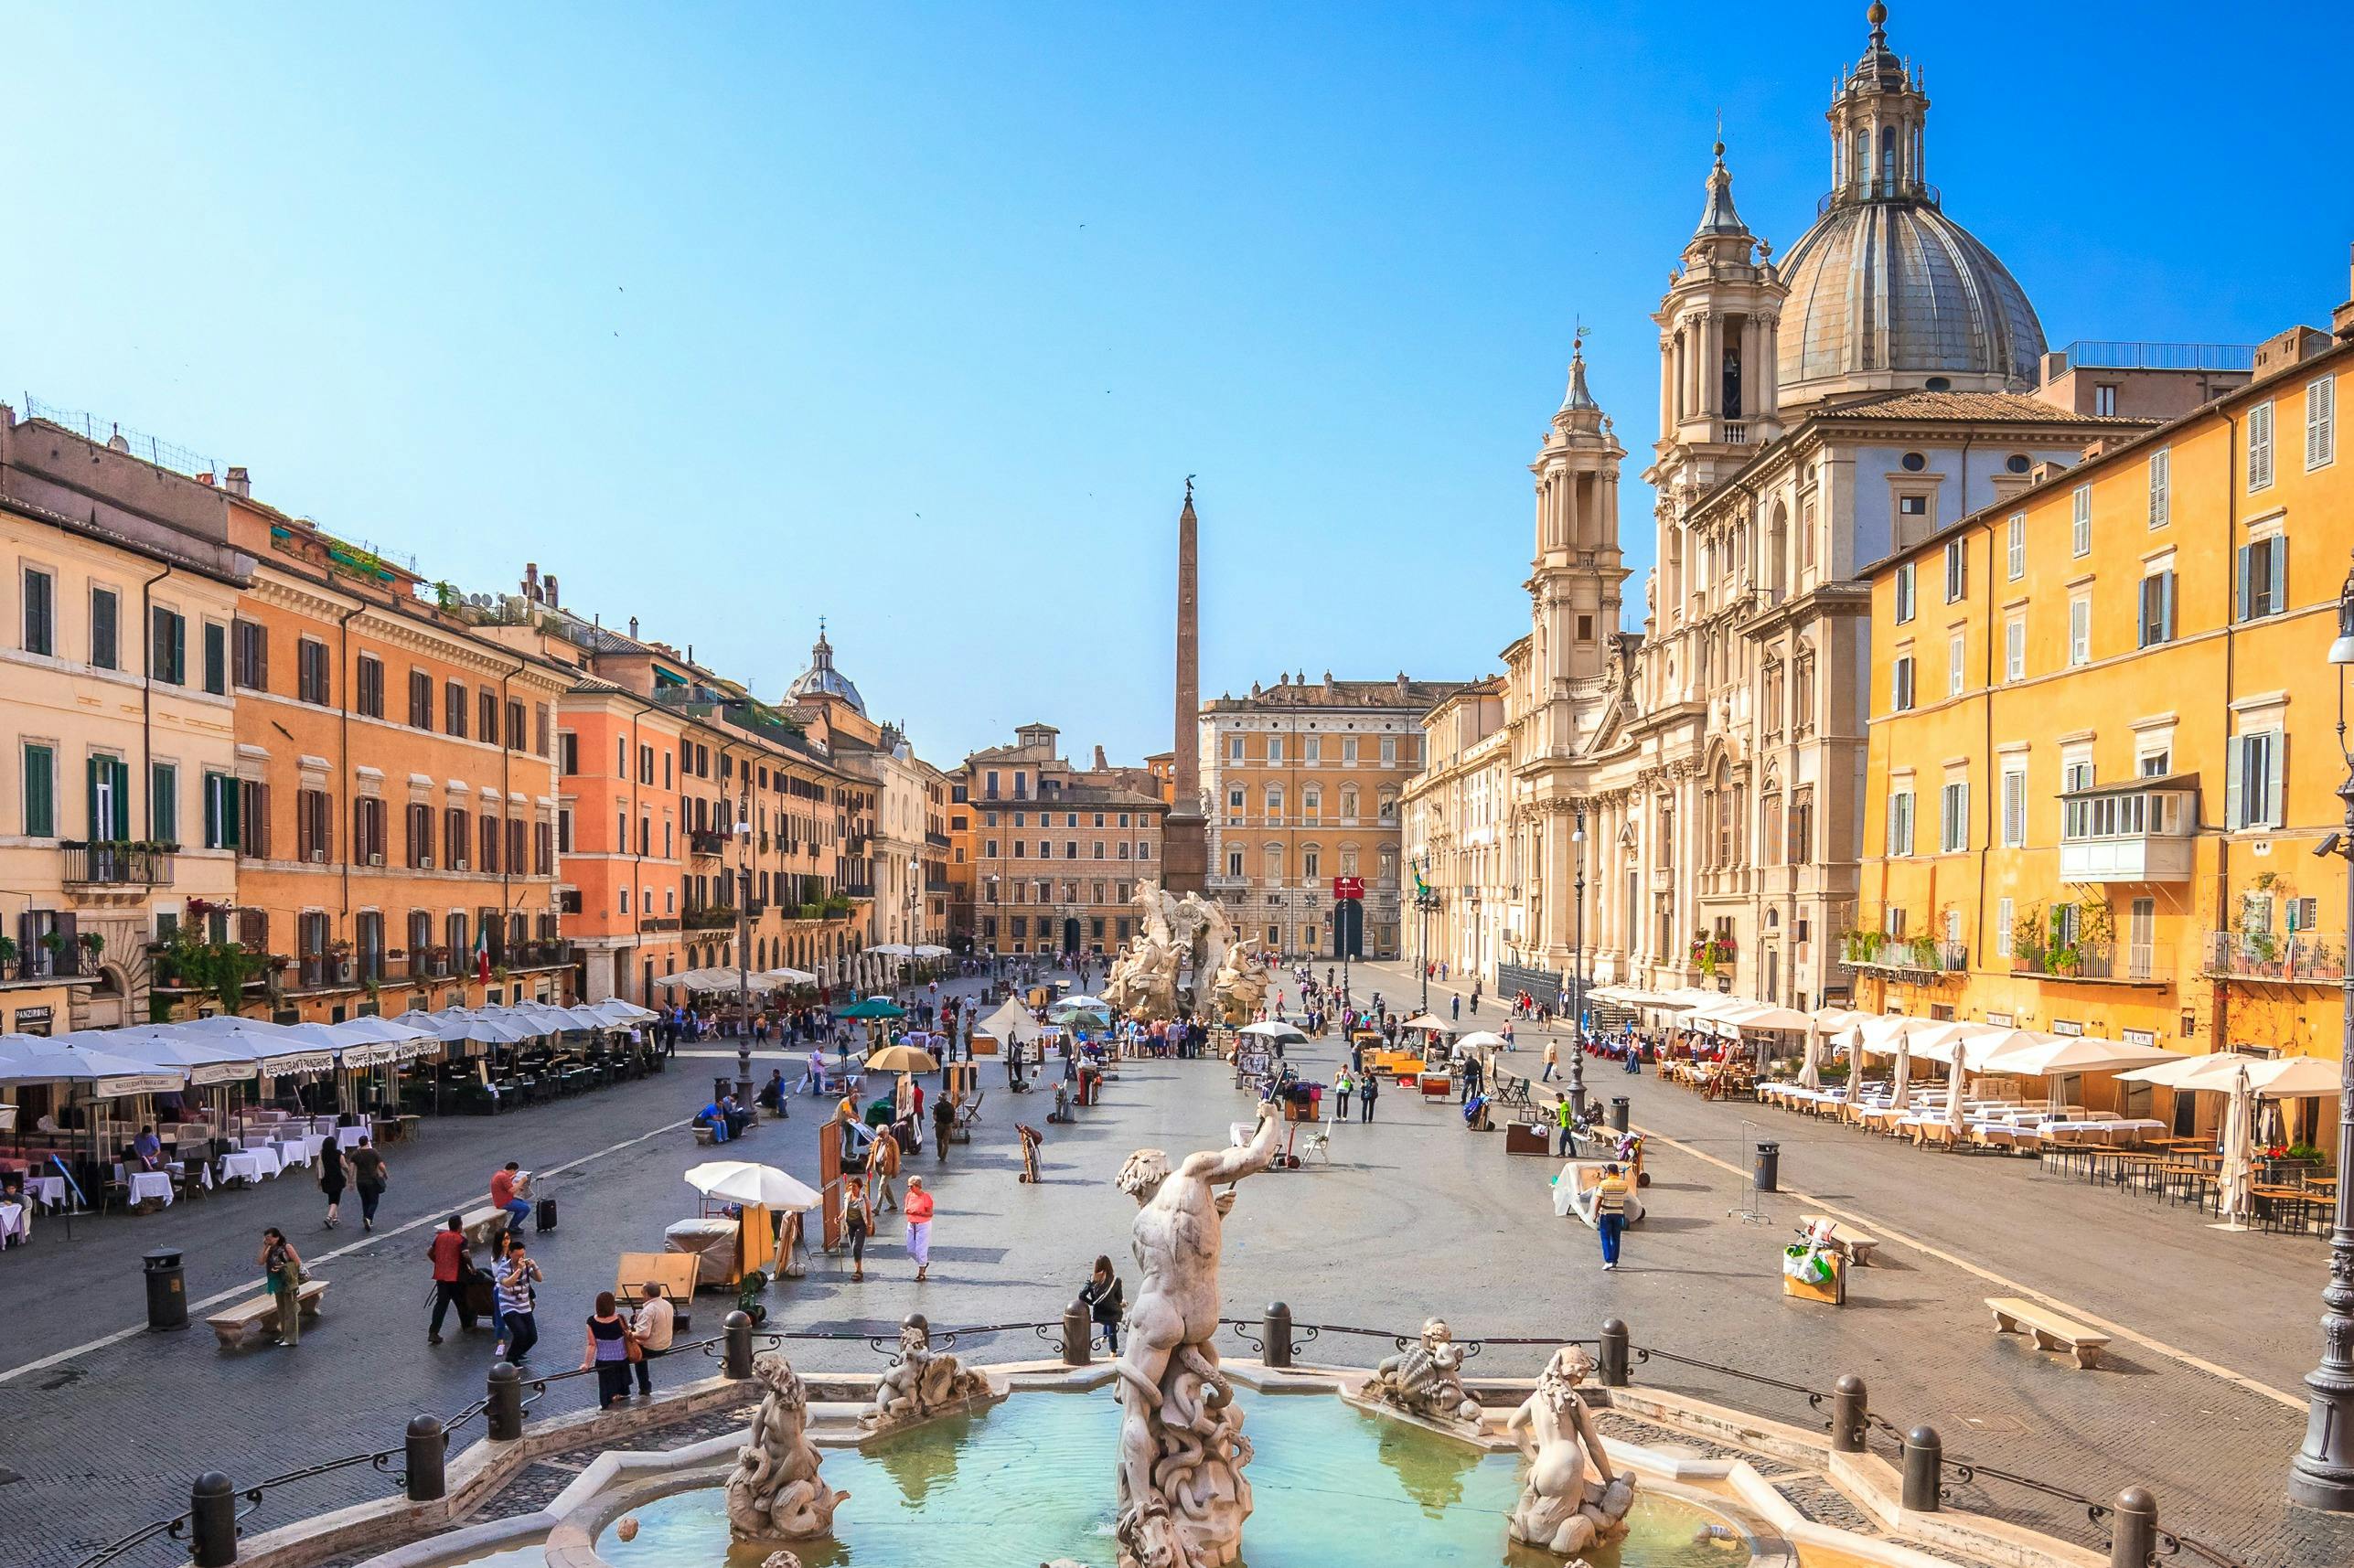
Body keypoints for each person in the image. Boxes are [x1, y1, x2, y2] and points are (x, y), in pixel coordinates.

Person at [581, 1291, 637, 1409]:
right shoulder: (620, 1318)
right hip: (622, 1360)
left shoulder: (591, 1322)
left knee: (606, 1389)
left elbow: (592, 1345)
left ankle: (606, 1406)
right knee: (623, 1389)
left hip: (604, 1361)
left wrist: (586, 1364)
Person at [427, 1214, 476, 1344]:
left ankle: (433, 1332)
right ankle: (467, 1325)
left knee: (441, 1304)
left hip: (441, 1276)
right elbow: (465, 1254)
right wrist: (471, 1267)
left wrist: (438, 1263)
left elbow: (430, 1253)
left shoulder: (440, 1237)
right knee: (461, 1301)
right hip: (456, 1276)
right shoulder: (461, 1239)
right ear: (460, 1226)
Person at [496, 1237, 543, 1361]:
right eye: (518, 1256)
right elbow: (506, 1283)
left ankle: (519, 1353)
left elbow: (539, 1279)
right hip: (508, 1306)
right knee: (520, 1333)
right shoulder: (503, 1268)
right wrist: (518, 1270)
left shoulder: (527, 1266)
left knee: (533, 1337)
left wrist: (535, 1266)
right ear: (510, 1254)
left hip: (524, 1306)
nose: (521, 1258)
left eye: (523, 1255)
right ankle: (511, 1358)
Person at [259, 1227, 304, 1347]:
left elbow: (297, 1262)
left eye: (269, 1238)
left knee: (290, 1310)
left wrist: (282, 1267)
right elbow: (260, 1261)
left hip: (288, 1281)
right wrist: (265, 1247)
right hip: (277, 1282)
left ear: (277, 1237)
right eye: (266, 1239)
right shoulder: (270, 1249)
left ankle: (291, 1338)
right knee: (282, 1310)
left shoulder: (287, 1247)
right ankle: (285, 1335)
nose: (268, 1240)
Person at [630, 1282, 674, 1397]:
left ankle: (640, 1387)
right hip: (666, 1343)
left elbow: (643, 1335)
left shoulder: (649, 1310)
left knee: (631, 1352)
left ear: (647, 1294)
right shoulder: (667, 1304)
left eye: (642, 1293)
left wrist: (629, 1334)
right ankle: (644, 1386)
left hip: (652, 1347)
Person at [1078, 1253, 1125, 1352]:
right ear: (1110, 1266)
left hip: (1099, 1313)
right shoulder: (1116, 1280)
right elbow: (1119, 1299)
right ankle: (1113, 1350)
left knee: (1106, 1311)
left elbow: (1081, 1295)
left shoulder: (1092, 1279)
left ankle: (1104, 1336)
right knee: (1111, 1322)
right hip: (1113, 1313)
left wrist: (1092, 1302)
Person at [1594, 1163, 1631, 1271]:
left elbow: (1598, 1200)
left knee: (1605, 1238)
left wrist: (1595, 1214)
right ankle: (1614, 1260)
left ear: (1608, 1172)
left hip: (1606, 1214)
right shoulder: (1624, 1184)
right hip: (1618, 1214)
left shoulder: (1604, 1184)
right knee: (1616, 1238)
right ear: (1617, 1172)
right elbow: (1624, 1194)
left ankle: (1609, 1260)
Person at [348, 1136, 388, 1231]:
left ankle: (366, 1219)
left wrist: (350, 1182)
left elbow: (351, 1169)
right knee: (374, 1201)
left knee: (365, 1201)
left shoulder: (355, 1154)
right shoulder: (373, 1152)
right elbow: (381, 1165)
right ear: (367, 1142)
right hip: (372, 1180)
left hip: (360, 1181)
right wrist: (385, 1174)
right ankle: (369, 1218)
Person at [843, 1173, 873, 1282]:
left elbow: (869, 1212)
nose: (852, 1188)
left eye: (854, 1186)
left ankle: (859, 1270)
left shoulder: (864, 1197)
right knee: (853, 1249)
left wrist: (869, 1226)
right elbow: (845, 1209)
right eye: (850, 1186)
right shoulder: (847, 1196)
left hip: (861, 1224)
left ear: (859, 1187)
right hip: (850, 1225)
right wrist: (839, 1217)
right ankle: (857, 1268)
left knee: (857, 1247)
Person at [904, 1174, 934, 1282]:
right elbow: (906, 1209)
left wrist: (919, 1213)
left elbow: (930, 1213)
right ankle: (923, 1262)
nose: (909, 1188)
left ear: (917, 1186)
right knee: (911, 1249)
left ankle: (921, 1272)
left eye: (911, 1186)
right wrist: (909, 1211)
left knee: (921, 1249)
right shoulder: (909, 1196)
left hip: (923, 1225)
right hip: (911, 1224)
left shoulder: (926, 1197)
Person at [868, 1124, 902, 1214]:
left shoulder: (892, 1142)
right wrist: (869, 1165)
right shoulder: (877, 1140)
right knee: (885, 1187)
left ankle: (877, 1208)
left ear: (887, 1133)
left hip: (888, 1168)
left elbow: (897, 1158)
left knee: (881, 1186)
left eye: (882, 1135)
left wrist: (895, 1171)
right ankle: (893, 1204)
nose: (880, 1137)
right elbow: (872, 1153)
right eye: (879, 1134)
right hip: (878, 1167)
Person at [491, 1162, 531, 1236]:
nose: (514, 1173)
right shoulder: (503, 1177)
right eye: (514, 1171)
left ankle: (514, 1225)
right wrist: (521, 1181)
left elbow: (507, 1187)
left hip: (503, 1199)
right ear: (512, 1170)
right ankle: (513, 1227)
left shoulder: (500, 1174)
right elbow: (512, 1190)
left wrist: (518, 1187)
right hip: (504, 1202)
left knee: (523, 1204)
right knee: (526, 1208)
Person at [318, 1139, 347, 1229]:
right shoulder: (338, 1154)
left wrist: (318, 1181)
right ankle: (329, 1217)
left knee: (331, 1197)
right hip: (337, 1178)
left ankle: (335, 1218)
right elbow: (344, 1165)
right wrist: (350, 1172)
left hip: (325, 1179)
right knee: (336, 1200)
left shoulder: (322, 1154)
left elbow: (318, 1167)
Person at [931, 1092, 953, 1161]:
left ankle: (939, 1154)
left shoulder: (937, 1106)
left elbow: (934, 1116)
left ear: (939, 1098)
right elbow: (953, 1115)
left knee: (939, 1140)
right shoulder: (951, 1106)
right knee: (946, 1142)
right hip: (948, 1125)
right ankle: (943, 1156)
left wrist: (936, 1121)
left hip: (939, 1125)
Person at [1557, 1093, 1576, 1157]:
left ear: (1560, 1098)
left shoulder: (1564, 1105)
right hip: (1565, 1124)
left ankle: (1562, 1153)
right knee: (1569, 1139)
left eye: (1557, 1098)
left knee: (1562, 1139)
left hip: (1566, 1125)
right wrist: (1561, 1122)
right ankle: (1573, 1152)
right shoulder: (1565, 1103)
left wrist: (1568, 1125)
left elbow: (1567, 1115)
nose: (1557, 1100)